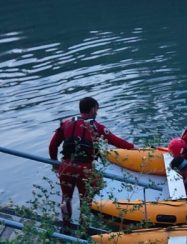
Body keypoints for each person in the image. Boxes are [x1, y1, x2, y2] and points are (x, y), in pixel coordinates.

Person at [49, 97, 135, 229]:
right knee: (86, 201)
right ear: (93, 109)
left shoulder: (66, 124)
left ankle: (66, 227)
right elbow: (115, 141)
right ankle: (83, 231)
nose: (97, 113)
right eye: (97, 110)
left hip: (66, 167)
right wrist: (133, 148)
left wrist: (55, 163)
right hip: (85, 170)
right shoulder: (96, 127)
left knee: (66, 199)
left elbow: (52, 146)